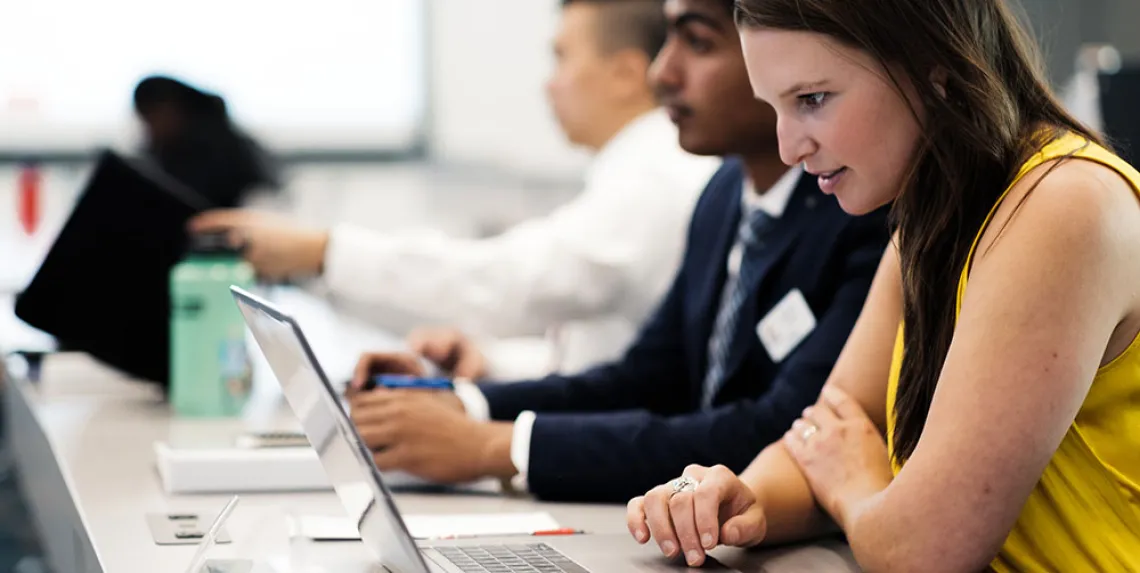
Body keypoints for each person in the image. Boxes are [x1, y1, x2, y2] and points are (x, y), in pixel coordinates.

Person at [628, 0, 1140, 570]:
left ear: (933, 68)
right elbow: (832, 429)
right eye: (774, 107)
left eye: (812, 100)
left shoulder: (1065, 208)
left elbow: (921, 551)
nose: (788, 148)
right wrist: (748, 497)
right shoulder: (934, 218)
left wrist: (854, 483)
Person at [344, 0, 889, 504]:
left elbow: (777, 429)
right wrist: (461, 404)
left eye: (698, 43)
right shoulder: (723, 194)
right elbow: (650, 376)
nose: (661, 74)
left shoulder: (862, 210)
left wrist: (498, 447)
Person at [190, 0, 722, 380]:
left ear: (627, 74)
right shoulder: (632, 169)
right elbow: (609, 350)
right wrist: (493, 363)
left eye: (561, 57)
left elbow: (508, 284)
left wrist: (323, 252)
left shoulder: (653, 175)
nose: (548, 82)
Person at [133, 75, 278, 208]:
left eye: (154, 115)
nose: (152, 126)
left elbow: (263, 196)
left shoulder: (229, 149)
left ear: (178, 109)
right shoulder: (158, 152)